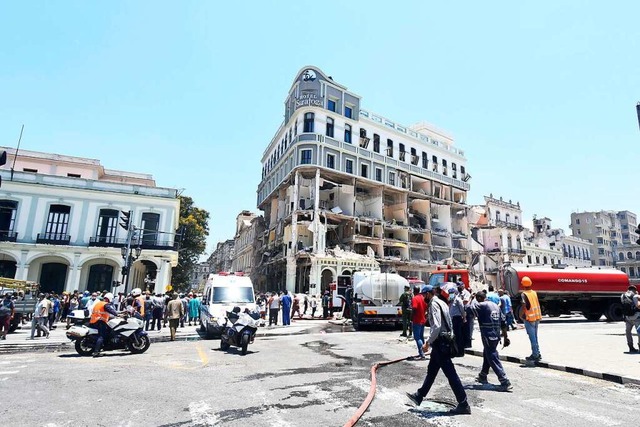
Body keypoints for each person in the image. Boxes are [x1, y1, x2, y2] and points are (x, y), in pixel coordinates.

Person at [406, 285, 471, 415]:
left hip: (440, 343)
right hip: (442, 342)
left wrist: (427, 343)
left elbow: (436, 326)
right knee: (431, 371)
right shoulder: (442, 302)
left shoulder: (434, 304)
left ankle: (463, 403)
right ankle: (419, 395)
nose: (423, 298)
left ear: (428, 294)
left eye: (424, 296)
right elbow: (449, 322)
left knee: (450, 374)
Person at [472, 291, 513, 391]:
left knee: (492, 356)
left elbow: (469, 308)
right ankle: (483, 375)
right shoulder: (495, 306)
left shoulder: (481, 305)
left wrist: (471, 299)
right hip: (496, 335)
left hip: (487, 335)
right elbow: (503, 322)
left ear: (479, 298)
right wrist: (505, 337)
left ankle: (504, 380)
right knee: (487, 353)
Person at [519, 276, 542, 361]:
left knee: (532, 337)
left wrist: (521, 314)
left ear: (523, 285)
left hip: (529, 318)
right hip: (536, 317)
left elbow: (524, 305)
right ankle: (538, 353)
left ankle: (535, 354)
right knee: (535, 336)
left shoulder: (524, 294)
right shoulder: (534, 292)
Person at [89, 292, 118, 357]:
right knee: (102, 336)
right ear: (109, 299)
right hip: (100, 321)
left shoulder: (99, 303)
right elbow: (111, 310)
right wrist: (117, 314)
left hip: (94, 320)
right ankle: (96, 352)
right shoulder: (106, 304)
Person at [621, 285, 640, 353]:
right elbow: (638, 305)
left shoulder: (623, 296)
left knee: (628, 332)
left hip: (627, 317)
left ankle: (630, 347)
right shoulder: (635, 296)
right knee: (639, 332)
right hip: (636, 317)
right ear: (635, 290)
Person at [410, 286, 427, 359]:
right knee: (421, 337)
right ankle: (424, 351)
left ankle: (422, 353)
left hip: (417, 320)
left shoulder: (415, 298)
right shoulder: (423, 298)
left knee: (417, 338)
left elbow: (414, 308)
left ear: (414, 291)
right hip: (423, 320)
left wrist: (411, 317)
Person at [449, 287, 466, 357]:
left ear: (455, 293)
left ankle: (460, 351)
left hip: (457, 319)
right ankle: (455, 351)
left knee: (458, 336)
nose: (450, 294)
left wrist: (464, 317)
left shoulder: (458, 300)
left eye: (451, 293)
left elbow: (462, 309)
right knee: (454, 336)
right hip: (452, 319)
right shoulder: (451, 300)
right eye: (449, 293)